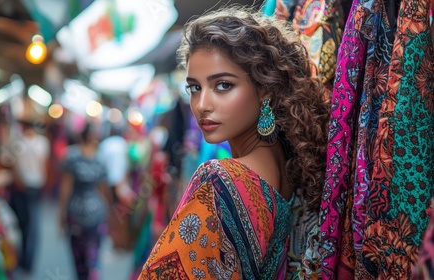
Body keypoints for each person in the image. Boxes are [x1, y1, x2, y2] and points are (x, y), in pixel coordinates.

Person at [139, 6, 329, 279]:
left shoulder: (220, 180)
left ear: (265, 89)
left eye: (223, 85)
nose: (202, 105)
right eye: (194, 87)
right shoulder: (293, 175)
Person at [59, 123, 109, 280]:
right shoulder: (99, 158)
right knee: (92, 257)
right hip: (94, 212)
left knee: (79, 258)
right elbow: (103, 190)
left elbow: (65, 188)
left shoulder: (72, 156)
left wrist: (61, 213)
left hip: (77, 213)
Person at [10, 119, 50, 273]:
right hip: (33, 186)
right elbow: (44, 165)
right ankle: (26, 260)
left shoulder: (20, 143)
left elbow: (15, 165)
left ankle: (24, 259)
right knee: (30, 225)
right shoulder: (41, 142)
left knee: (24, 224)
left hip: (25, 186)